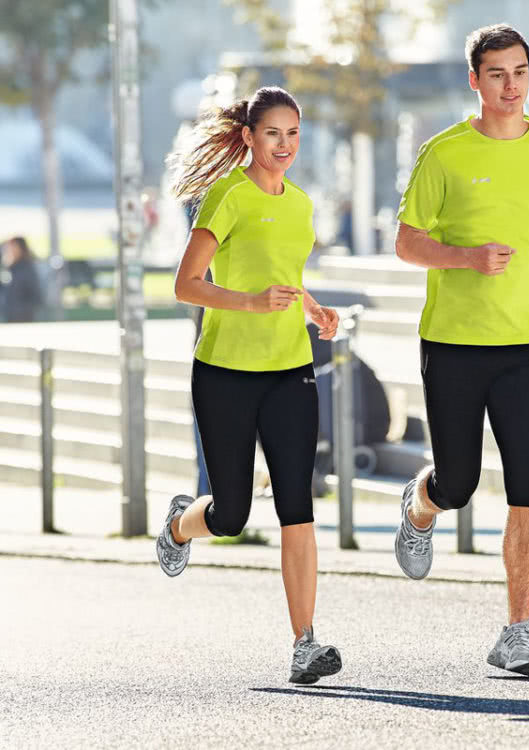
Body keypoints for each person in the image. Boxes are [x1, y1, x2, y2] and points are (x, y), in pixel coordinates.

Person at [393, 24, 529, 678]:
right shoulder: (442, 154)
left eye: (521, 72)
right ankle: (420, 503)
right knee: (459, 482)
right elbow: (407, 243)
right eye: (497, 74)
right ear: (475, 81)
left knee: (528, 487)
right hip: (451, 344)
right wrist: (467, 258)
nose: (511, 86)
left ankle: (518, 632)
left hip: (520, 346)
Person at [158, 86, 343, 685]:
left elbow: (282, 275)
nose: (284, 144)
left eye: (293, 133)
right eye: (272, 134)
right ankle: (181, 523)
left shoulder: (302, 203)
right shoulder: (227, 196)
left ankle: (305, 644)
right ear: (249, 137)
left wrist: (310, 307)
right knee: (232, 513)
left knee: (297, 507)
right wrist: (250, 302)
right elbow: (186, 285)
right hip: (226, 375)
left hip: (290, 371)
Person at [1, 236, 43, 322]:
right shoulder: (12, 269)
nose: (9, 251)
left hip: (22, 317)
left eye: (12, 248)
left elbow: (36, 296)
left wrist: (22, 311)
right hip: (10, 316)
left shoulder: (27, 269)